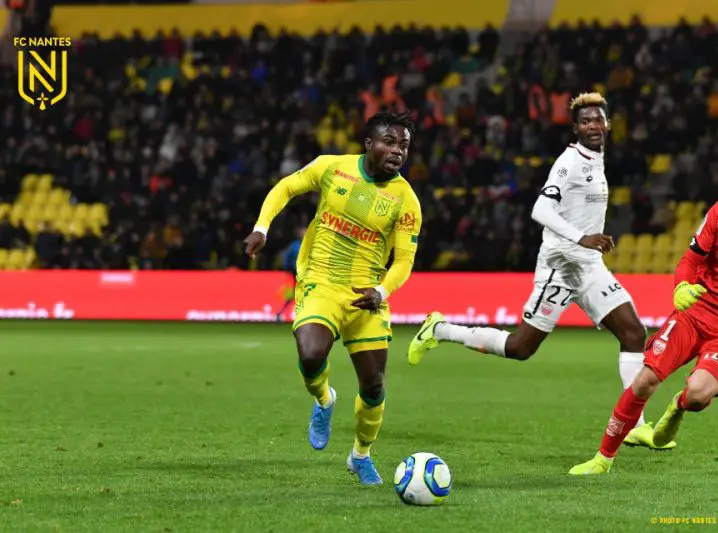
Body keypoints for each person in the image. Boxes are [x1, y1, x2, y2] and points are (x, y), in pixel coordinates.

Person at [407, 92, 673, 450]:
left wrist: (587, 244)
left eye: (598, 119)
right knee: (521, 347)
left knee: (634, 333)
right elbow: (540, 210)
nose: (593, 125)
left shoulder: (597, 160)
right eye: (585, 121)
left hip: (588, 266)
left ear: (608, 124)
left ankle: (634, 425)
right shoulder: (569, 162)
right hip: (560, 266)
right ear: (575, 127)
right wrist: (583, 237)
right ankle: (440, 329)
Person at [569, 147, 718, 475]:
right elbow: (691, 259)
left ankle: (677, 407)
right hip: (696, 314)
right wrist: (682, 286)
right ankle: (602, 459)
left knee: (698, 395)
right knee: (644, 381)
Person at [243, 112, 422, 485]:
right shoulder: (332, 168)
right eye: (389, 142)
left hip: (367, 295)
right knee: (310, 354)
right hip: (321, 282)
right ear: (369, 143)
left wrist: (381, 291)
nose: (398, 151)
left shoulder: (406, 200)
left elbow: (404, 260)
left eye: (404, 145)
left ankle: (360, 455)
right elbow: (286, 187)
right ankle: (325, 399)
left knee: (374, 386)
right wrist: (262, 228)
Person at [275, 227, 305, 321]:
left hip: (308, 272)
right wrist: (287, 268)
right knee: (300, 292)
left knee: (299, 293)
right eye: (302, 232)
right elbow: (288, 257)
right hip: (297, 272)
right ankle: (283, 312)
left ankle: (281, 312)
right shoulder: (294, 245)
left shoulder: (309, 244)